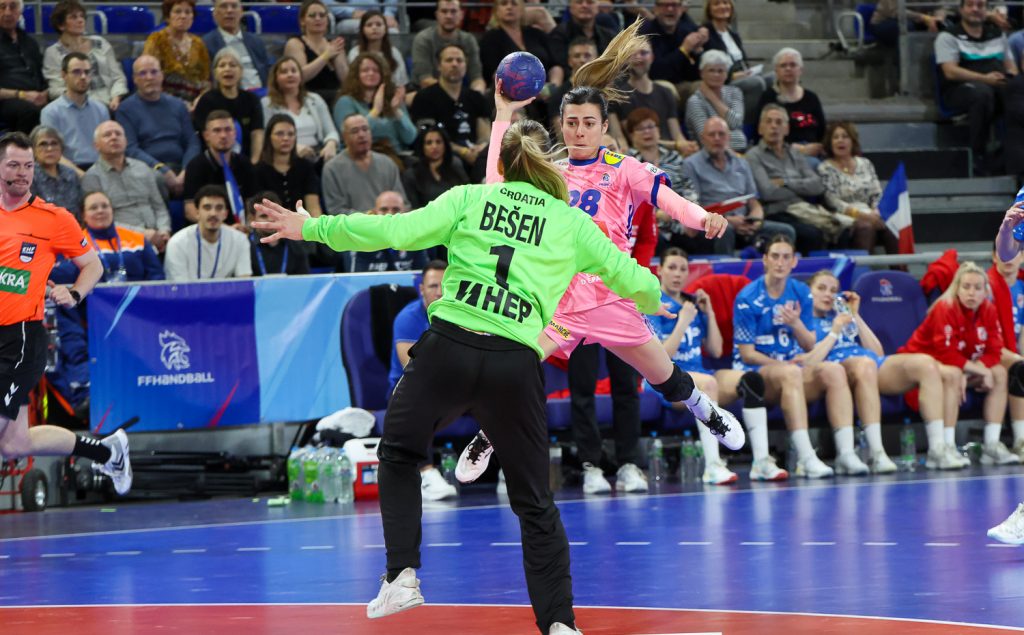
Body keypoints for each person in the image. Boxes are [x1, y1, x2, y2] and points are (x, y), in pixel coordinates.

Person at [252, 116, 671, 635]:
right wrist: (652, 296)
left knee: (399, 453)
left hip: (449, 346)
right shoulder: (571, 223)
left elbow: (391, 231)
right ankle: (560, 623)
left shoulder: (470, 198)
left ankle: (401, 575)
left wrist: (313, 227)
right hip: (514, 362)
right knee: (534, 501)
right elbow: (635, 282)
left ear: (502, 165)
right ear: (551, 165)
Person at [456, 21, 742, 486]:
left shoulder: (625, 169)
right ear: (560, 124)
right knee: (518, 366)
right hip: (563, 297)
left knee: (664, 377)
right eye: (571, 122)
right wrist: (502, 114)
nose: (579, 130)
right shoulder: (549, 173)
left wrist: (702, 217)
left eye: (589, 123)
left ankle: (705, 409)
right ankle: (486, 437)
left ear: (604, 127)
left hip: (612, 294)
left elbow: (671, 203)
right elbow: (494, 184)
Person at [0, 131, 131, 496]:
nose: (22, 173)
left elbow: (93, 266)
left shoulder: (53, 218)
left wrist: (74, 292)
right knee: (14, 443)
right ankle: (108, 451)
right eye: (13, 165)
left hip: (20, 339)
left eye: (28, 166)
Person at [733, 234, 869, 478]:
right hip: (758, 373)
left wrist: (796, 324)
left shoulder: (801, 292)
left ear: (794, 262)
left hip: (792, 371)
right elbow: (747, 353)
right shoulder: (747, 297)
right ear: (765, 260)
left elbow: (809, 345)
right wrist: (782, 364)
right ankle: (806, 458)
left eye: (786, 257)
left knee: (834, 370)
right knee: (790, 372)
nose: (780, 262)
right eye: (775, 256)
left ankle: (846, 454)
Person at [651, 247, 787, 482]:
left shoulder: (692, 303)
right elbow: (660, 357)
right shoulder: (653, 303)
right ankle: (712, 466)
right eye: (672, 268)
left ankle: (762, 462)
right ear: (660, 270)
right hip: (666, 379)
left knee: (751, 380)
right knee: (707, 384)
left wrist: (710, 313)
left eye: (683, 269)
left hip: (700, 373)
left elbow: (715, 350)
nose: (678, 274)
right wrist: (683, 321)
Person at [805, 270, 962, 472]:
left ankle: (937, 450)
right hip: (839, 370)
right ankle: (877, 453)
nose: (828, 294)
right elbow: (810, 362)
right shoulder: (803, 322)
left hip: (869, 365)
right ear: (808, 291)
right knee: (866, 365)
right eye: (821, 288)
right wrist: (834, 332)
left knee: (926, 364)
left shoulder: (841, 317)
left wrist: (854, 315)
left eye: (833, 290)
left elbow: (877, 353)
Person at [899, 261, 1020, 466]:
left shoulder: (988, 309)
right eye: (966, 287)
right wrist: (976, 371)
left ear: (985, 291)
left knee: (999, 373)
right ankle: (946, 447)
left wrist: (973, 371)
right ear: (957, 288)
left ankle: (991, 445)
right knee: (954, 374)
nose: (972, 293)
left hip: (958, 368)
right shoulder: (944, 308)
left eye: (977, 288)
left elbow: (994, 350)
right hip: (922, 370)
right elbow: (945, 354)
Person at [383, 259, 456, 501]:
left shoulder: (463, 316)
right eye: (434, 286)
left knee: (498, 393)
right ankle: (427, 474)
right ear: (422, 289)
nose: (440, 292)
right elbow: (413, 368)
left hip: (455, 386)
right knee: (421, 397)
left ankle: (507, 471)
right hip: (408, 388)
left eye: (445, 285)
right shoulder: (408, 318)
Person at [682, 116, 795, 255]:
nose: (717, 138)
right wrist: (729, 220)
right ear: (703, 138)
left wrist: (755, 220)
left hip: (744, 221)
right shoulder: (691, 165)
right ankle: (726, 268)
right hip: (713, 223)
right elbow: (694, 207)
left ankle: (776, 267)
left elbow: (753, 201)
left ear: (728, 137)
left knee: (786, 231)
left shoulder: (742, 163)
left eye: (721, 134)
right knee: (724, 229)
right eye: (712, 134)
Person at [935, 0, 1017, 175]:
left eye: (980, 6)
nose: (975, 9)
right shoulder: (948, 36)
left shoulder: (997, 34)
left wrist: (1011, 80)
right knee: (982, 94)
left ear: (986, 10)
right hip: (959, 90)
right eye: (970, 5)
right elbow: (950, 72)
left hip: (995, 86)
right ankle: (978, 155)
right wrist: (985, 79)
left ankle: (1011, 155)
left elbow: (1011, 67)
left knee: (1016, 92)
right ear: (961, 9)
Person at [745, 103, 826, 255]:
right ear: (760, 128)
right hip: (776, 212)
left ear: (787, 129)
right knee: (812, 234)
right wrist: (802, 189)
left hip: (802, 209)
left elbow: (818, 185)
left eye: (779, 122)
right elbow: (768, 192)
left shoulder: (795, 154)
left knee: (842, 230)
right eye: (768, 121)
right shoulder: (753, 156)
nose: (774, 126)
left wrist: (786, 182)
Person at [115, 55, 200, 199]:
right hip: (148, 169)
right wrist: (162, 170)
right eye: (143, 73)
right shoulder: (125, 109)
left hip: (181, 166)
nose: (149, 77)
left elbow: (192, 142)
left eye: (154, 72)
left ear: (162, 76)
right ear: (134, 79)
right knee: (157, 179)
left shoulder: (178, 105)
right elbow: (131, 149)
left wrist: (187, 170)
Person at [82, 121, 172, 253]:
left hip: (159, 237)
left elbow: (159, 206)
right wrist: (143, 234)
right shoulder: (92, 177)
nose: (114, 137)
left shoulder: (142, 168)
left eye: (118, 134)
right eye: (107, 135)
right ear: (96, 146)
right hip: (122, 242)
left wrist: (164, 230)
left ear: (125, 141)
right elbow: (100, 218)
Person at [816, 121, 895, 254]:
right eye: (835, 137)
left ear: (852, 141)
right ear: (830, 143)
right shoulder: (824, 168)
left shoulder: (865, 163)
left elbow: (876, 194)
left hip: (869, 211)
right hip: (842, 215)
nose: (840, 140)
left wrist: (876, 212)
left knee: (893, 225)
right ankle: (863, 267)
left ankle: (900, 267)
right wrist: (861, 215)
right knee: (866, 227)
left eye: (845, 136)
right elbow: (831, 200)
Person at [607, 38, 693, 155]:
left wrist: (686, 146)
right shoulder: (617, 96)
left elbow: (677, 135)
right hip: (639, 157)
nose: (639, 57)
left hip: (670, 157)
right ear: (625, 59)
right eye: (633, 54)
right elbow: (624, 139)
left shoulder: (666, 92)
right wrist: (676, 145)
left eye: (643, 53)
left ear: (652, 57)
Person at [409, 44, 490, 166]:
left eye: (459, 60)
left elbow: (484, 135)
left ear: (466, 65)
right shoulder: (424, 97)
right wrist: (463, 151)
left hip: (475, 155)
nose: (455, 64)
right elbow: (429, 138)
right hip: (444, 157)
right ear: (438, 66)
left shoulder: (476, 97)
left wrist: (481, 148)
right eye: (449, 60)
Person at [41, 0, 127, 109]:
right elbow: (55, 89)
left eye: (82, 16)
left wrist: (116, 98)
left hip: (109, 102)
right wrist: (83, 101)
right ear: (61, 25)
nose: (80, 20)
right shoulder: (53, 53)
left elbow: (118, 77)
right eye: (73, 17)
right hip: (76, 105)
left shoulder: (100, 43)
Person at [323, 113, 406, 218]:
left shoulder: (387, 163)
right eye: (355, 131)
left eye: (365, 129)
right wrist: (370, 216)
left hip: (388, 223)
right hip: (355, 226)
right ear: (344, 137)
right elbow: (336, 211)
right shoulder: (332, 169)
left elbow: (402, 202)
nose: (361, 135)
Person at [183, 110, 259, 224]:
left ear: (235, 134)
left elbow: (252, 203)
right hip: (209, 229)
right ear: (206, 135)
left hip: (241, 227)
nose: (223, 135)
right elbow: (190, 210)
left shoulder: (245, 164)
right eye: (217, 130)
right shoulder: (195, 166)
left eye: (228, 130)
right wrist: (223, 229)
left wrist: (246, 225)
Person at [164, 184, 253, 281]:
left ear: (225, 214)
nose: (213, 213)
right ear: (197, 212)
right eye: (207, 207)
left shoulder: (240, 240)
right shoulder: (177, 243)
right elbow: (179, 287)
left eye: (219, 208)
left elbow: (244, 281)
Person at [261, 56, 340, 164]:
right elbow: (266, 138)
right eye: (284, 72)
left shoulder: (315, 99)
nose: (290, 75)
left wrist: (331, 143)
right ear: (276, 78)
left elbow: (331, 131)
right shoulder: (267, 104)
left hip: (318, 154)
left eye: (294, 71)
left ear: (300, 76)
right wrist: (294, 148)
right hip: (286, 156)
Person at [333, 52, 416, 152]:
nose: (371, 73)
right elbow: (350, 137)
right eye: (365, 70)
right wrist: (375, 111)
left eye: (376, 70)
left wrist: (396, 111)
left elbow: (410, 138)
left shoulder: (393, 98)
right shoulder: (345, 102)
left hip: (395, 155)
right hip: (362, 155)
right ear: (356, 75)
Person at [701, 0, 768, 124]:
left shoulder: (733, 35)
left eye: (726, 3)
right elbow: (705, 67)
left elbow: (744, 62)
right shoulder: (705, 34)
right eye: (717, 3)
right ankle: (746, 127)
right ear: (709, 9)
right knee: (756, 83)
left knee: (773, 78)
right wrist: (732, 76)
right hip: (724, 81)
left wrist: (747, 72)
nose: (722, 6)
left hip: (743, 75)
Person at [754, 48, 826, 163]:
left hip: (814, 151)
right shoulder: (768, 98)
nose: (788, 69)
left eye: (793, 65)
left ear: (800, 70)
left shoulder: (812, 98)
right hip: (783, 153)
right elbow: (760, 133)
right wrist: (800, 149)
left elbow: (823, 131)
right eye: (783, 65)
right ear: (776, 71)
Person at [39, 52, 109, 169]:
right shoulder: (50, 112)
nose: (83, 77)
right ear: (64, 75)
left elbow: (108, 149)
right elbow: (52, 153)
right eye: (77, 72)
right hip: (67, 170)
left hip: (100, 169)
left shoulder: (101, 109)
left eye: (87, 72)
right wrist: (80, 174)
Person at [193, 48, 265, 160]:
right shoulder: (206, 101)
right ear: (215, 73)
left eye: (233, 65)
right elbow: (204, 136)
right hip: (214, 161)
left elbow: (257, 133)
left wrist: (254, 162)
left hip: (246, 160)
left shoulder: (252, 100)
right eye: (222, 65)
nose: (227, 69)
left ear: (241, 71)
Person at [989, 246, 1024, 461]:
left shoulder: (1022, 288)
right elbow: (985, 337)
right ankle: (1021, 441)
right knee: (1021, 368)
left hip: (1012, 353)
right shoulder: (986, 286)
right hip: (989, 351)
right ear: (994, 257)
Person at [480, 0, 562, 88]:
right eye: (504, 4)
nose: (509, 7)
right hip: (510, 90)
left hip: (546, 88)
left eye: (514, 4)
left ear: (522, 9)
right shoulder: (490, 38)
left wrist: (553, 87)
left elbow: (555, 65)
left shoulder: (536, 33)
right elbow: (494, 73)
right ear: (496, 10)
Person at [143, 0, 211, 105]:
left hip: (195, 103)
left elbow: (206, 80)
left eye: (188, 12)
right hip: (164, 101)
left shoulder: (199, 43)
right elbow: (149, 77)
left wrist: (199, 101)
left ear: (192, 17)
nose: (183, 16)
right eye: (178, 11)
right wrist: (179, 105)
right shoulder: (156, 40)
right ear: (168, 17)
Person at [254, 114, 323, 218]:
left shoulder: (306, 167)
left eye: (291, 134)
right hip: (272, 224)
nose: (286, 138)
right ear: (269, 137)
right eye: (279, 134)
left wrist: (316, 226)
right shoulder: (258, 171)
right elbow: (258, 211)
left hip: (303, 224)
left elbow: (313, 207)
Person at [410, 0, 486, 92]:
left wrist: (477, 92)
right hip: (423, 92)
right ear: (437, 15)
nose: (449, 16)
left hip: (459, 92)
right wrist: (455, 94)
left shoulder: (469, 40)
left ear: (461, 15)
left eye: (453, 11)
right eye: (444, 11)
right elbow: (425, 80)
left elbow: (477, 78)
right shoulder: (423, 39)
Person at [283, 0, 348, 106]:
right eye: (312, 15)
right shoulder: (295, 43)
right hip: (307, 98)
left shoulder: (334, 45)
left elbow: (346, 80)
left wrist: (338, 56)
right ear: (302, 21)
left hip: (335, 97)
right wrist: (326, 55)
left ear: (327, 20)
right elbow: (300, 76)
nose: (318, 19)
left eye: (322, 15)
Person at [638, 0, 706, 98]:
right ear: (655, 9)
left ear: (681, 9)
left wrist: (696, 53)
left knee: (703, 86)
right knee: (667, 88)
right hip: (653, 86)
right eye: (665, 5)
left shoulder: (687, 30)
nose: (670, 9)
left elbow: (693, 75)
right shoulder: (645, 33)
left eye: (674, 5)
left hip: (683, 85)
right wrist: (684, 50)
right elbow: (656, 72)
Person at [348, 191, 429, 272]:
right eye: (384, 209)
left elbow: (424, 277)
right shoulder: (362, 241)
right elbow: (357, 278)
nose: (390, 214)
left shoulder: (415, 239)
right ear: (374, 213)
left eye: (396, 209)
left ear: (404, 213)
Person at [0, 0, 49, 134]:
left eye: (13, 7)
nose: (7, 12)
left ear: (20, 11)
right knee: (30, 111)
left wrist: (45, 93)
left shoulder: (29, 42)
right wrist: (21, 95)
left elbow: (42, 74)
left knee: (63, 104)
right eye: (2, 7)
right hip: (7, 100)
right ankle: (24, 147)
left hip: (36, 96)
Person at [201, 0, 271, 91]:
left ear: (241, 12)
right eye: (224, 6)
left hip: (261, 93)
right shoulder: (205, 44)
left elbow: (268, 71)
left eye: (234, 6)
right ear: (215, 14)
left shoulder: (256, 41)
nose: (229, 10)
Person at [685, 49, 746, 152]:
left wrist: (713, 98)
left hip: (740, 153)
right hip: (710, 155)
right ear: (702, 73)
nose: (716, 75)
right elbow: (707, 139)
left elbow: (736, 123)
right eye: (711, 70)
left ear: (726, 74)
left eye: (720, 71)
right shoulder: (695, 101)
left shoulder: (735, 92)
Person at [401, 123, 469, 210]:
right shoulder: (411, 175)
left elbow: (467, 197)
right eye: (429, 143)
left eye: (438, 142)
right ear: (422, 147)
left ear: (445, 145)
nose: (434, 146)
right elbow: (413, 208)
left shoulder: (456, 167)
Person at [247, 192, 310, 276]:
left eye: (274, 215)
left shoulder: (296, 243)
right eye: (264, 216)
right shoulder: (245, 245)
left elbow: (304, 279)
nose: (271, 219)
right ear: (252, 219)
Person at [29, 125, 82, 218]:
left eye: (54, 144)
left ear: (61, 149)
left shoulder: (71, 174)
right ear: (33, 150)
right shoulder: (28, 176)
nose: (49, 149)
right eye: (43, 144)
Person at [347, 10, 409, 89]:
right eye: (369, 25)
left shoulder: (394, 52)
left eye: (379, 24)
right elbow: (353, 82)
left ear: (385, 29)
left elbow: (401, 84)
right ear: (362, 29)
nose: (374, 28)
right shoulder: (355, 53)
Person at [550, 0, 617, 70]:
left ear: (597, 7)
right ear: (570, 8)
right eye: (579, 2)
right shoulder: (559, 34)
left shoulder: (609, 36)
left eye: (590, 2)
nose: (584, 6)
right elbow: (559, 64)